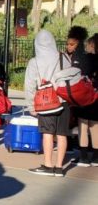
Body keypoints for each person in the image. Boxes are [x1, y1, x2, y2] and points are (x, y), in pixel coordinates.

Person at [25, 30, 71, 177]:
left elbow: (29, 85)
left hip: (45, 103)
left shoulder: (34, 62)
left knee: (48, 134)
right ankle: (59, 167)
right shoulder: (63, 57)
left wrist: (31, 107)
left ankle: (48, 165)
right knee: (62, 134)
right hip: (64, 100)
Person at [75, 34, 98, 166]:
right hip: (97, 96)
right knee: (95, 126)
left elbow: (80, 74)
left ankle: (83, 156)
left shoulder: (86, 59)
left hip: (86, 95)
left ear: (92, 45)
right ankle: (96, 156)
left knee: (83, 124)